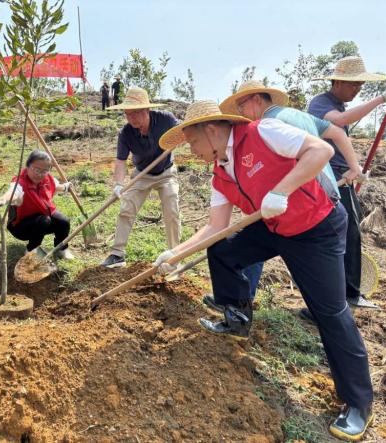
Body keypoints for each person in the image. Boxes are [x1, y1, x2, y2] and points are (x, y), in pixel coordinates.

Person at [155, 100, 374, 441]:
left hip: (315, 227)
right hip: (275, 228)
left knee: (329, 311)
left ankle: (358, 403)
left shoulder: (264, 132)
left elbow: (319, 151)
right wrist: (175, 253)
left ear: (211, 130)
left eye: (192, 143)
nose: (192, 152)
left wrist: (281, 190)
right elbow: (216, 227)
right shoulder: (219, 173)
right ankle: (237, 317)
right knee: (224, 249)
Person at [199, 80, 365, 314]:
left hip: (301, 201)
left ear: (256, 99)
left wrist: (278, 192)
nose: (241, 115)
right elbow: (336, 132)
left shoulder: (267, 125)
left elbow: (315, 153)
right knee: (261, 236)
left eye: (242, 107)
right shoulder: (299, 115)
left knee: (269, 238)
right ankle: (243, 303)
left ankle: (244, 300)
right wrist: (354, 166)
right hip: (324, 196)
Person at [309, 55, 386, 310]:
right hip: (329, 179)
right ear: (338, 81)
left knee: (349, 233)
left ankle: (347, 291)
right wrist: (382, 99)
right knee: (348, 232)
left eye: (361, 86)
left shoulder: (339, 105)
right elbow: (339, 122)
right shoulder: (321, 103)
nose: (358, 90)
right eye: (354, 84)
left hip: (341, 177)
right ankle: (348, 293)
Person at [101, 86, 180, 268]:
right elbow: (120, 161)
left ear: (147, 110)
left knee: (171, 207)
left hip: (166, 172)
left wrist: (179, 137)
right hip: (141, 174)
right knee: (126, 208)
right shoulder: (126, 133)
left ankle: (175, 256)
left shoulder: (165, 119)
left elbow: (183, 130)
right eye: (127, 114)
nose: (131, 118)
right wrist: (119, 184)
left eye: (135, 113)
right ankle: (117, 255)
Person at [0, 150, 74, 259]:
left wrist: (66, 187)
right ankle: (31, 252)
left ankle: (61, 249)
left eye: (44, 171)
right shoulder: (20, 183)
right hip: (21, 227)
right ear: (28, 166)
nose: (40, 174)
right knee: (44, 221)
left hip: (42, 219)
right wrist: (3, 199)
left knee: (63, 222)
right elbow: (13, 193)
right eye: (36, 169)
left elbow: (56, 186)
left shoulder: (47, 179)